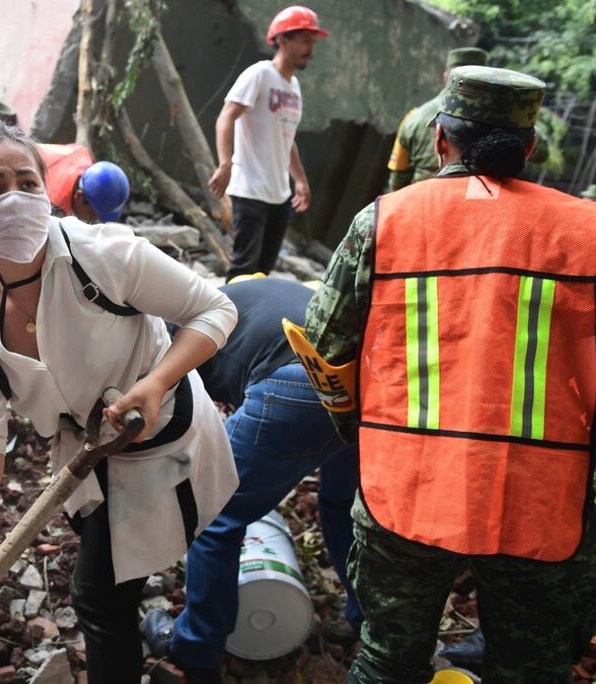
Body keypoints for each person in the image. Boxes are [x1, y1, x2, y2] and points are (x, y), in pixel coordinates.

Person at [301, 66, 596, 682]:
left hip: (403, 486)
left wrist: (362, 433)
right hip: (544, 497)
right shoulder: (586, 232)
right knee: (532, 667)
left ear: (440, 139)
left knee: (387, 660)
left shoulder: (384, 222)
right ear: (530, 148)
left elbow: (326, 348)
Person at [0, 119, 240, 684]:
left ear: (48, 191)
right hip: (83, 455)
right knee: (110, 569)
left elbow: (215, 309)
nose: (14, 198)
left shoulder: (105, 256)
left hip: (158, 439)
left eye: (28, 183)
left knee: (97, 601)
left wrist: (155, 383)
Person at [143, 276, 360, 683]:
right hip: (360, 382)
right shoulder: (257, 297)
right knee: (344, 508)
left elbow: (178, 430)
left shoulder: (167, 336)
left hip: (298, 381)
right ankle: (369, 624)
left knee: (214, 513)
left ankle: (196, 649)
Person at [209, 5, 326, 280]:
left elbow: (287, 137)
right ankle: (229, 321)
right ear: (284, 39)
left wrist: (301, 180)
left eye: (313, 41)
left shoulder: (294, 87)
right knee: (243, 270)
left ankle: (247, 320)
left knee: (263, 272)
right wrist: (225, 163)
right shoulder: (260, 74)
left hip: (279, 196)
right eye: (305, 40)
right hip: (250, 190)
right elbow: (226, 117)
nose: (311, 48)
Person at [386, 48, 489, 191]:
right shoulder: (500, 121)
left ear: (446, 75)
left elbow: (398, 179)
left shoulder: (413, 118)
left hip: (421, 203)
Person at [35, 142, 131, 222]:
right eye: (93, 214)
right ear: (79, 196)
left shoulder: (83, 155)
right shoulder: (51, 205)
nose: (95, 221)